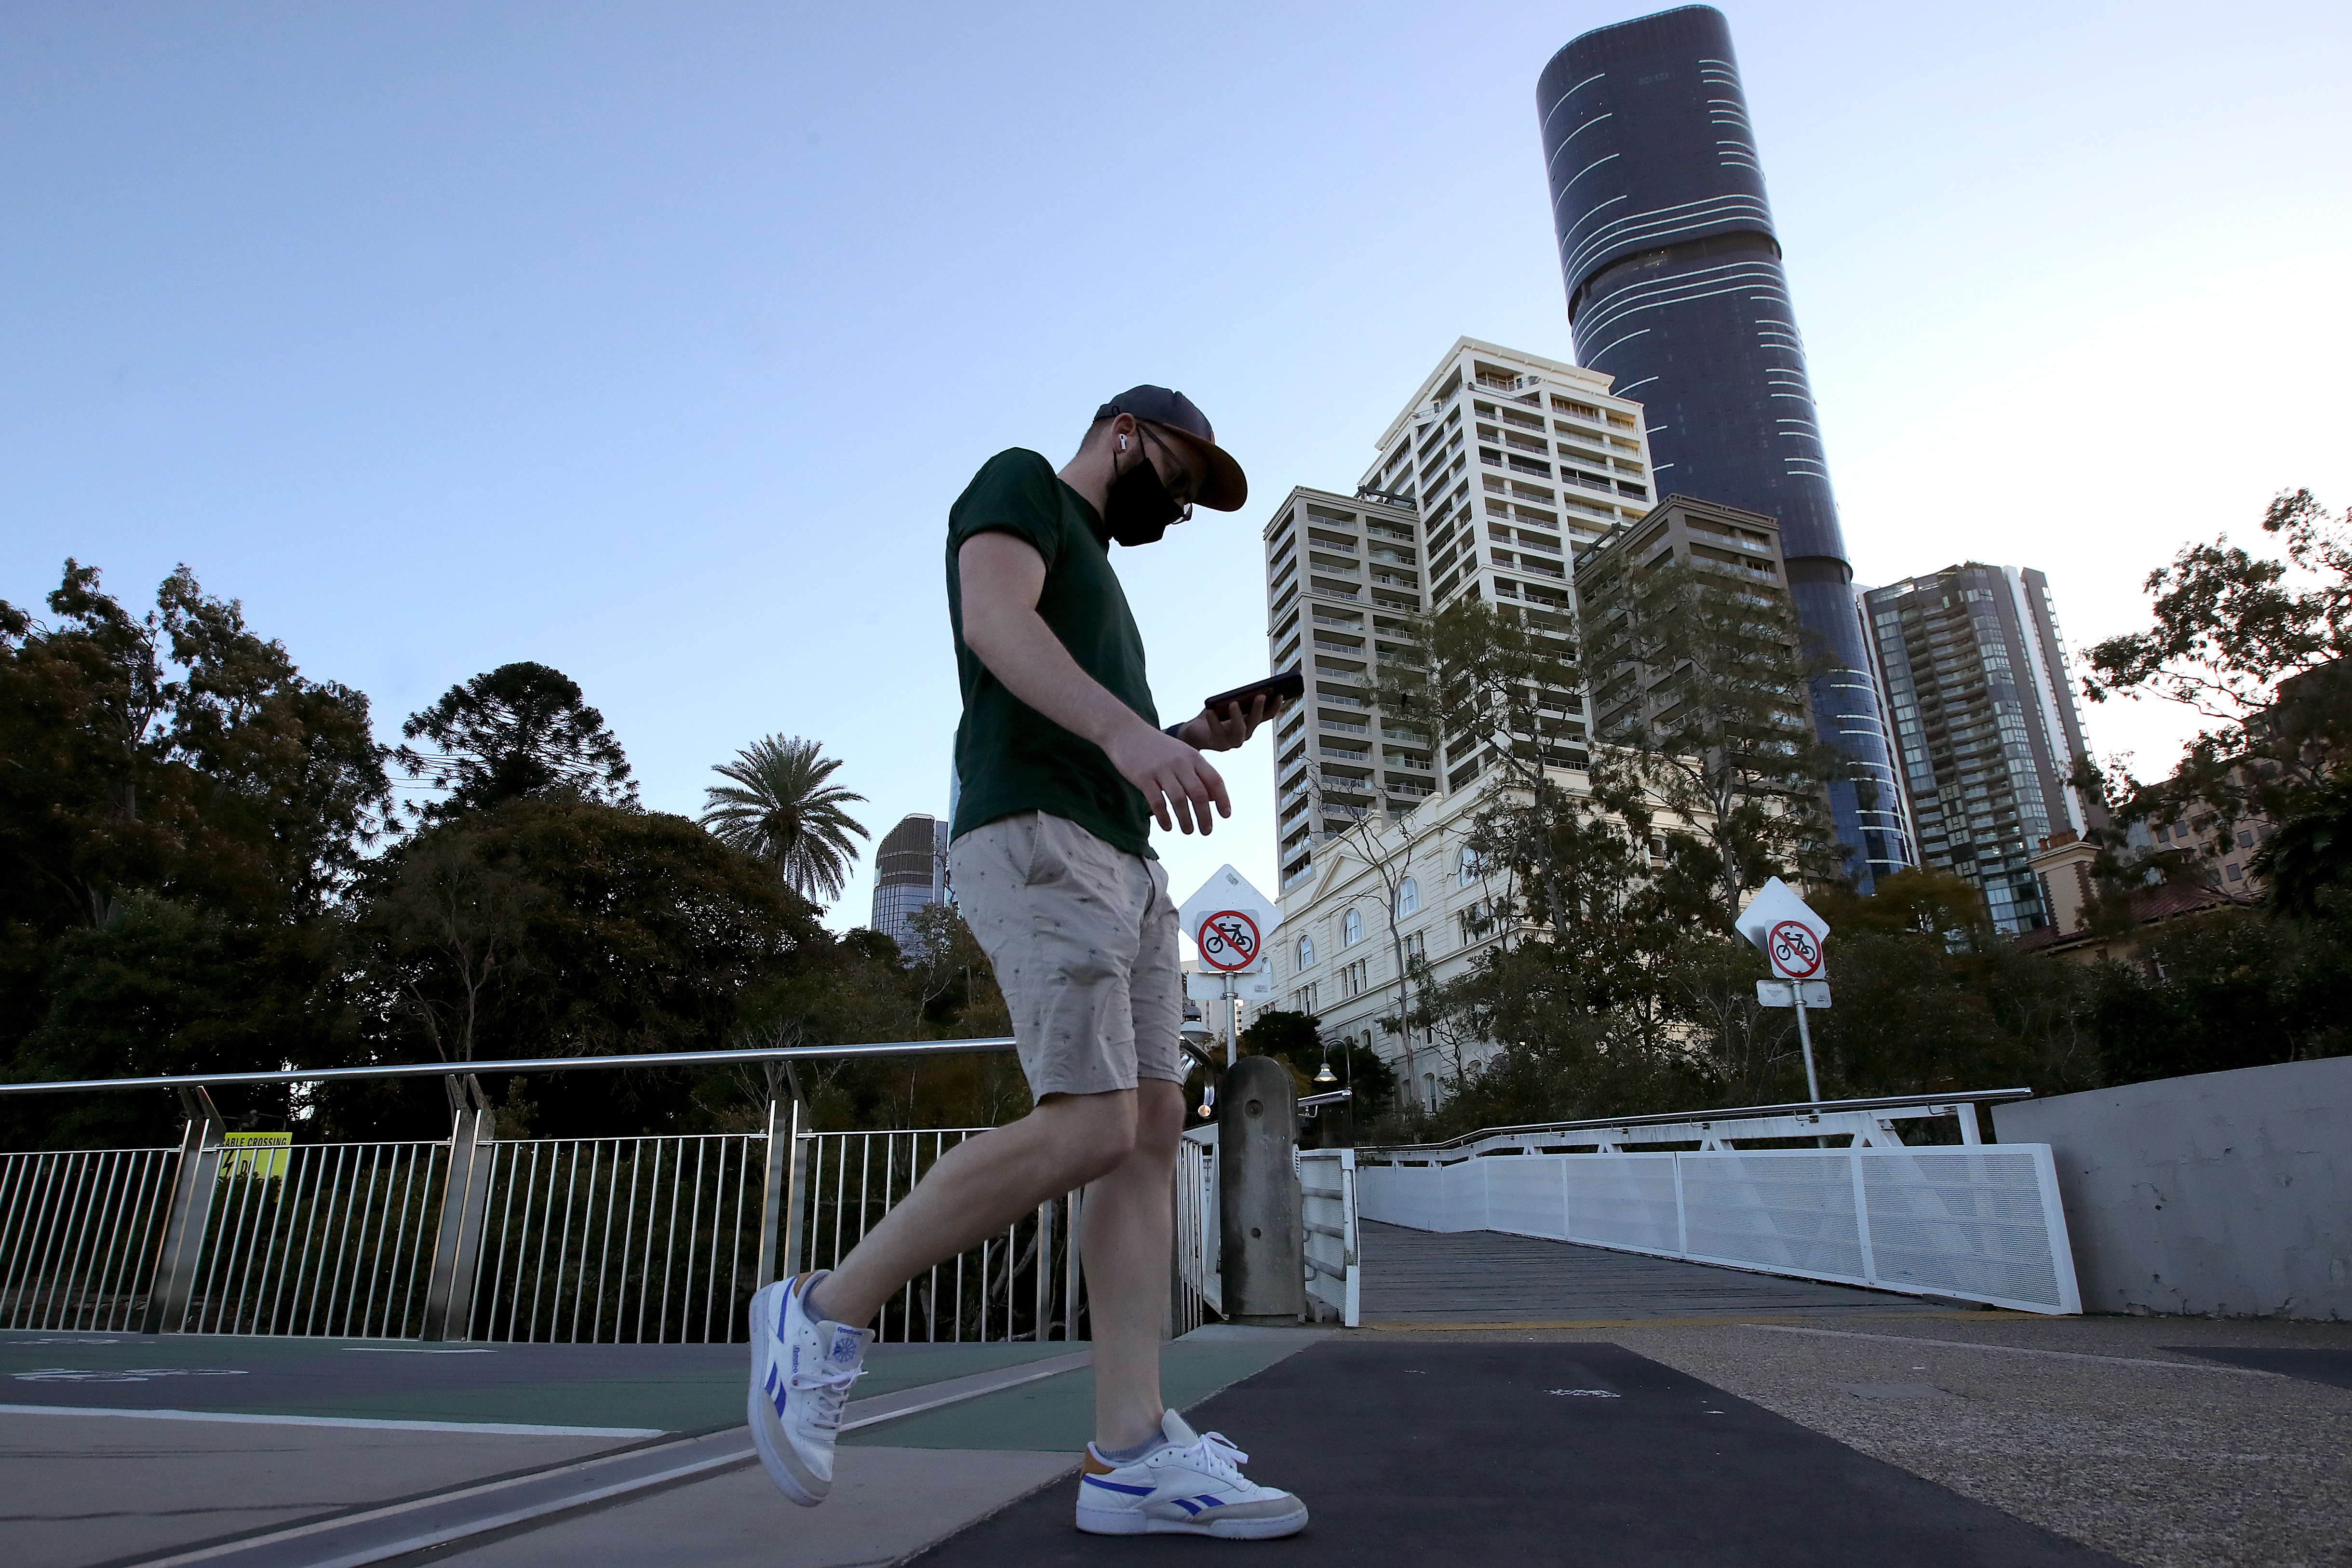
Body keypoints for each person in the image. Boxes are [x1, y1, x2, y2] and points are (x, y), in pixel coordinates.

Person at [746, 387, 1305, 1540]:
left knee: (1148, 1137)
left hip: (1125, 857)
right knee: (1093, 1124)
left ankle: (1134, 1450)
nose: (1182, 504)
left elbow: (1094, 713)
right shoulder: (1019, 482)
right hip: (1042, 838)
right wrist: (1125, 732)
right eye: (1180, 475)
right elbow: (995, 625)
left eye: (1197, 499)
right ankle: (820, 1310)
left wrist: (1188, 734)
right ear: (1122, 433)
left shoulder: (1104, 581)